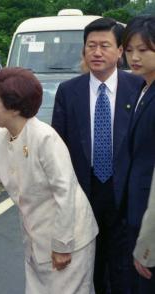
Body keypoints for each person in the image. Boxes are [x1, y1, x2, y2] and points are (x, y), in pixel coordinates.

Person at [0, 68, 98, 294]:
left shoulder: (45, 138)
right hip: (36, 239)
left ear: (13, 106)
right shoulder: (0, 138)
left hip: (69, 239)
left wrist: (63, 245)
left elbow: (66, 194)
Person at [51, 17, 144, 294]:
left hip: (126, 195)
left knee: (125, 269)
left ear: (120, 51)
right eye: (91, 46)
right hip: (85, 191)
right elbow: (59, 148)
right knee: (91, 268)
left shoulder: (138, 87)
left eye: (105, 45)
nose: (97, 52)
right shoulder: (69, 91)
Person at [122, 15, 155, 293]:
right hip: (137, 212)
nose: (134, 57)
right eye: (130, 49)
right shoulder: (143, 88)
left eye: (143, 50)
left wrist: (148, 244)